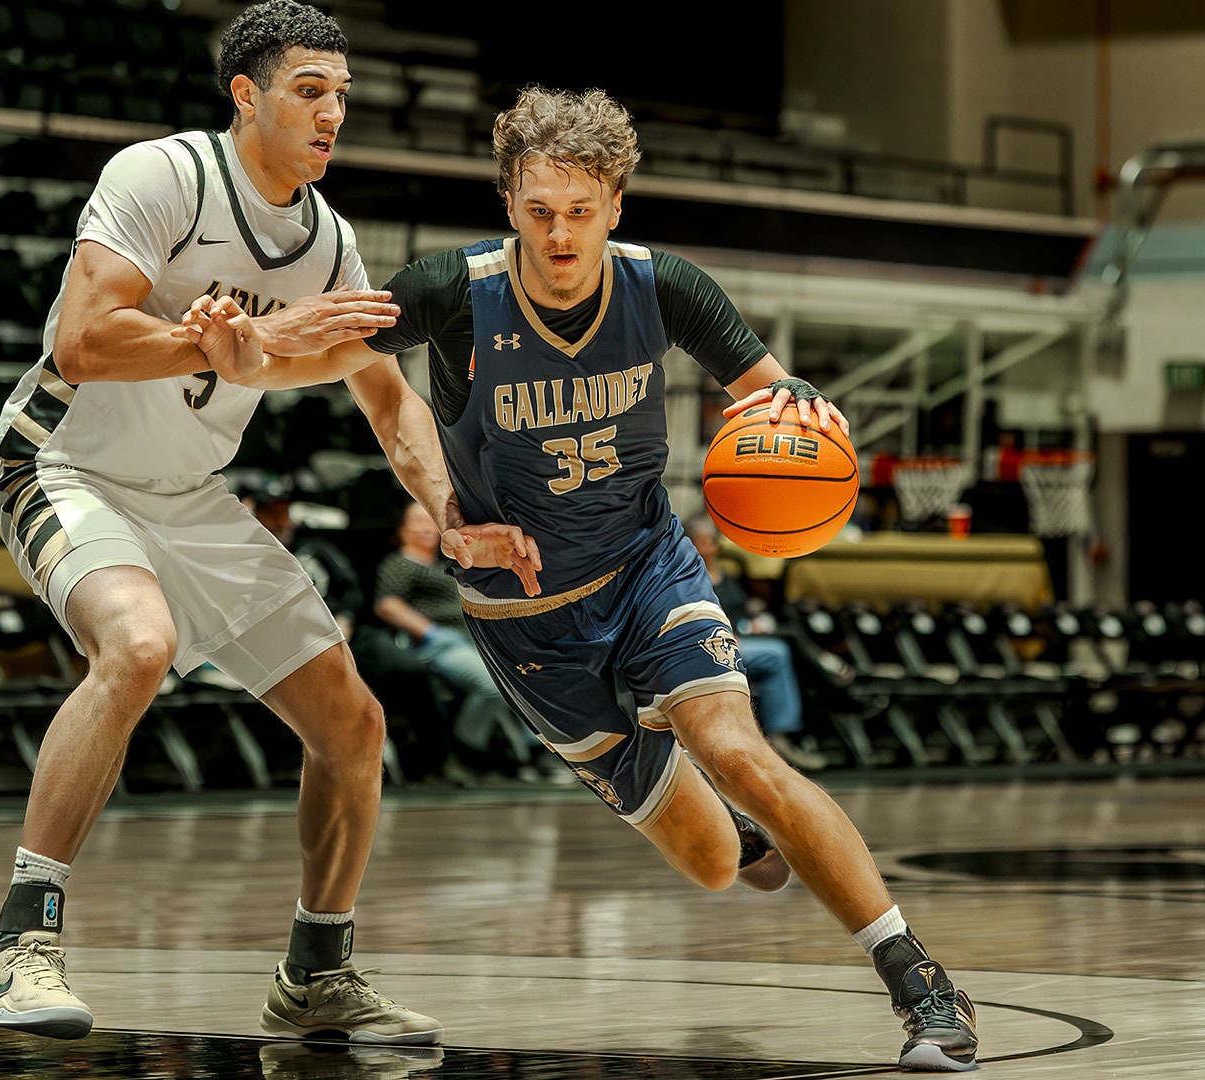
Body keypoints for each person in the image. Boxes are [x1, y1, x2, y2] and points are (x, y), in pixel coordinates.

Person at [186, 87, 979, 1072]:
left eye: (579, 211)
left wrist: (810, 409)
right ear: (508, 201)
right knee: (715, 860)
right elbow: (324, 350)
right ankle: (737, 826)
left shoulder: (665, 287)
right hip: (528, 628)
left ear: (614, 204)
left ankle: (922, 987)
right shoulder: (453, 290)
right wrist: (241, 357)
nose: (559, 234)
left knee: (739, 752)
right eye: (538, 210)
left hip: (647, 567)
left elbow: (772, 387)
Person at [0, 0, 529, 1045]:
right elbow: (85, 341)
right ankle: (18, 951)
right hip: (65, 466)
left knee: (353, 723)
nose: (332, 116)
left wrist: (452, 514)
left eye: (342, 97)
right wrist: (236, 344)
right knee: (137, 645)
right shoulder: (162, 175)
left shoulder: (332, 242)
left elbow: (391, 401)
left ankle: (318, 973)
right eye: (310, 92)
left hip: (192, 499)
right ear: (247, 95)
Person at [241, 479, 458, 784]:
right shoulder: (246, 558)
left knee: (413, 671)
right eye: (271, 514)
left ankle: (434, 763)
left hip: (349, 635)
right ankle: (291, 764)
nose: (281, 521)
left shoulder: (314, 549)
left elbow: (352, 591)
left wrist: (344, 618)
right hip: (289, 645)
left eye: (284, 512)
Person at [374, 500, 543, 780]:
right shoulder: (399, 563)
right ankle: (467, 750)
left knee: (525, 673)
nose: (426, 528)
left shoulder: (447, 564)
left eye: (429, 521)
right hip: (436, 643)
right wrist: (431, 633)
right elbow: (388, 605)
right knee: (492, 684)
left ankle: (533, 750)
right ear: (401, 529)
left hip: (473, 638)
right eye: (416, 522)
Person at [682, 515, 824, 771]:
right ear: (691, 543)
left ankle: (789, 729)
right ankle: (781, 733)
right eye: (707, 540)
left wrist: (754, 620)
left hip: (739, 639)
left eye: (714, 540)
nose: (714, 545)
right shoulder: (686, 579)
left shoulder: (725, 577)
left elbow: (743, 611)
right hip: (707, 645)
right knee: (777, 653)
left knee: (786, 639)